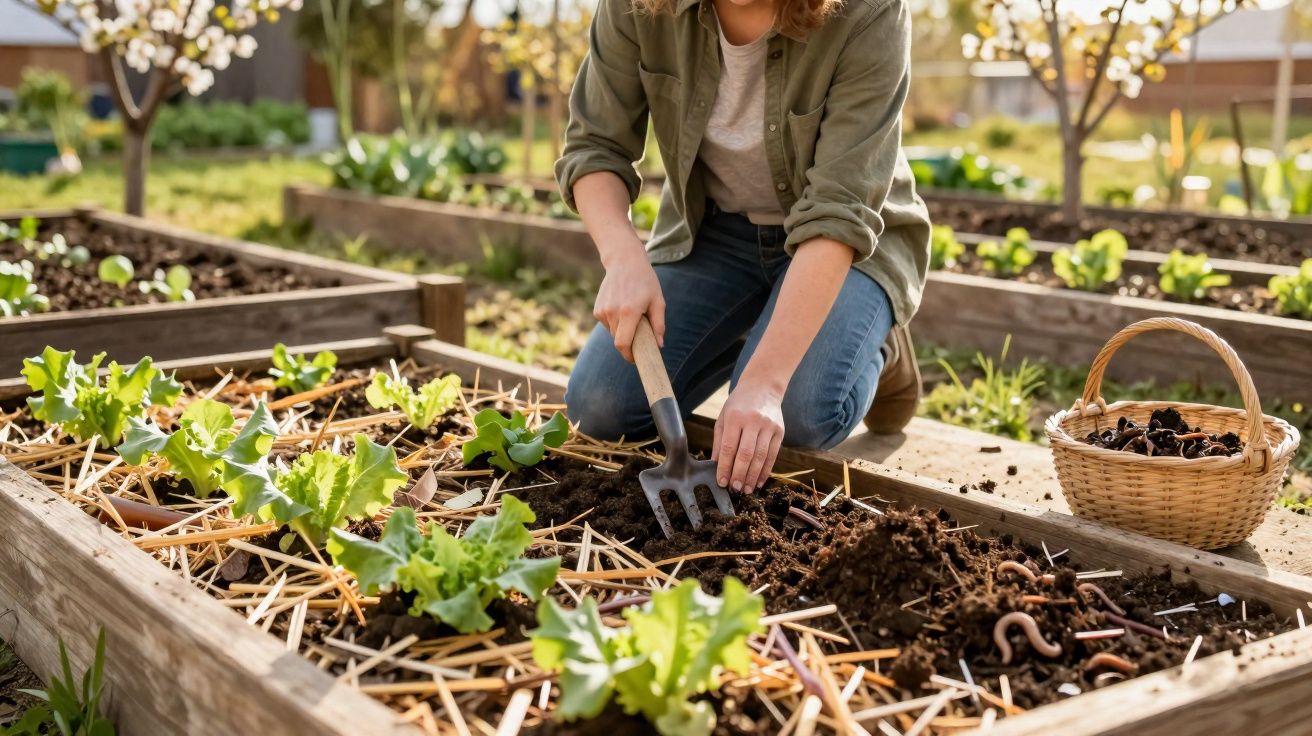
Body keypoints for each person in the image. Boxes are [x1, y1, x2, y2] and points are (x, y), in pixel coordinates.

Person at [557, 0, 931, 495]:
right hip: (713, 234)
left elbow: (840, 211)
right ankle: (766, 324)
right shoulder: (637, 6)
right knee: (601, 406)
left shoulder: (868, 11)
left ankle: (876, 340)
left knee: (796, 415)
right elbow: (595, 147)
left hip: (844, 245)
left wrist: (765, 383)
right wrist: (623, 258)